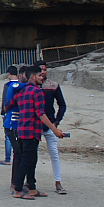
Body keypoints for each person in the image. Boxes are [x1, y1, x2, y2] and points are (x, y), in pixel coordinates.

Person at [5, 65, 65, 199]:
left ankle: (32, 187)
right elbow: (41, 113)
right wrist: (54, 129)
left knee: (31, 160)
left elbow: (8, 105)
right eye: (40, 76)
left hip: (21, 130)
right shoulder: (37, 92)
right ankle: (18, 189)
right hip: (32, 131)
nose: (42, 78)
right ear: (33, 76)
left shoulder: (21, 91)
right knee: (27, 161)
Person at [37, 60, 68, 195]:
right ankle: (29, 181)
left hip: (50, 124)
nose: (43, 72)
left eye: (45, 69)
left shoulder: (53, 85)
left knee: (54, 154)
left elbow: (62, 104)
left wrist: (56, 122)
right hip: (35, 125)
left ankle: (58, 182)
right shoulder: (32, 86)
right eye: (41, 70)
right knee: (31, 154)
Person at [2, 66, 27, 192]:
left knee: (21, 153)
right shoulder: (15, 86)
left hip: (20, 124)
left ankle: (20, 182)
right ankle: (15, 183)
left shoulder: (15, 86)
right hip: (12, 123)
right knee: (18, 152)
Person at [0, 65, 19, 165]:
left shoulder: (7, 86)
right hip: (20, 113)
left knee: (8, 136)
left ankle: (7, 158)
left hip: (9, 113)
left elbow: (5, 100)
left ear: (9, 74)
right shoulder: (22, 85)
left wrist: (3, 112)